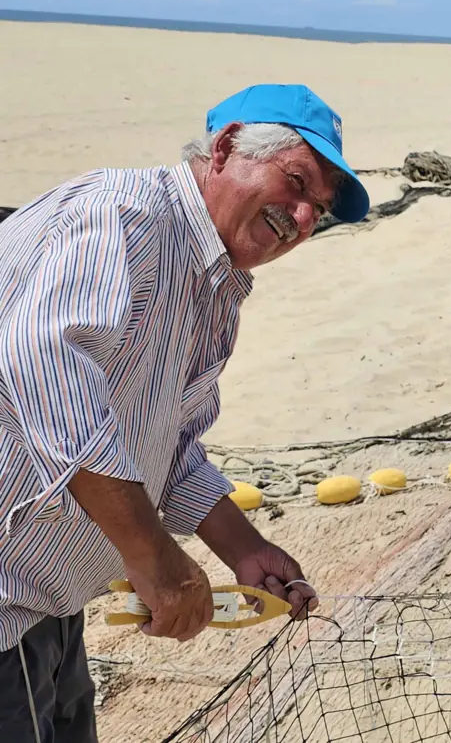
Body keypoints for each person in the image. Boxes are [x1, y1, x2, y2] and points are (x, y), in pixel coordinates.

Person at [0, 83, 371, 742]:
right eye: (297, 183)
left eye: (320, 208)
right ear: (226, 147)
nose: (305, 218)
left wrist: (245, 547)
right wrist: (156, 558)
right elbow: (45, 369)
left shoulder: (216, 287)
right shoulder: (125, 217)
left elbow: (166, 445)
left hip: (50, 605)